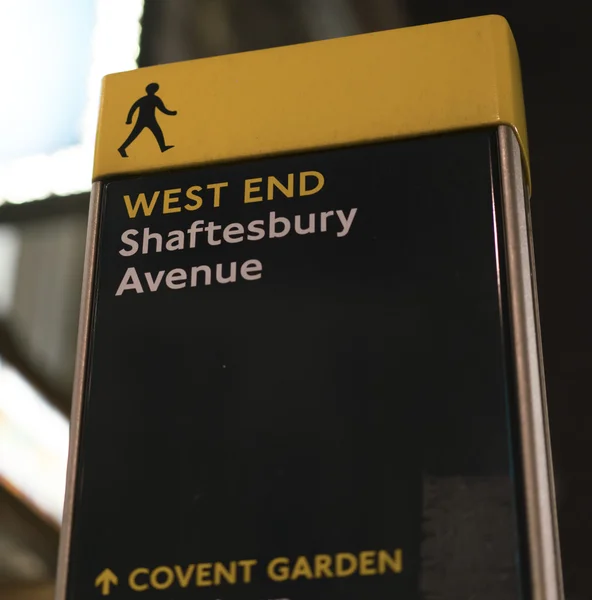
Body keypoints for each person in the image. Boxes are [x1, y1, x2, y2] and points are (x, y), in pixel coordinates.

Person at [118, 83, 177, 157]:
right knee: (135, 135)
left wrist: (129, 119)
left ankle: (163, 147)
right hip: (149, 119)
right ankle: (122, 148)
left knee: (157, 132)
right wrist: (172, 113)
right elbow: (163, 109)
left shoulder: (143, 99)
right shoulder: (155, 99)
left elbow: (133, 108)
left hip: (144, 119)